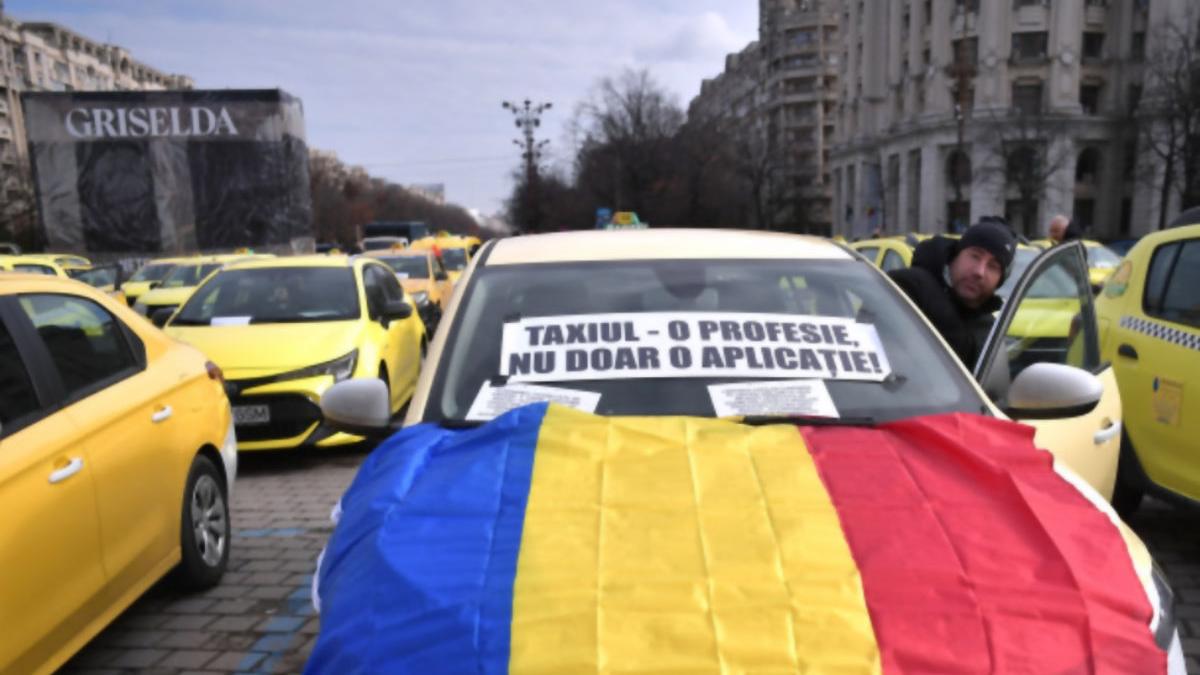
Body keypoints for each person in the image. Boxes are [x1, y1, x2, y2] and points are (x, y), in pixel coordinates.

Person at [888, 219, 1017, 368]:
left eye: (993, 266)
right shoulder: (909, 287)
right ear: (955, 256)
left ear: (999, 281)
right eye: (974, 256)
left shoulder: (989, 332)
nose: (979, 272)